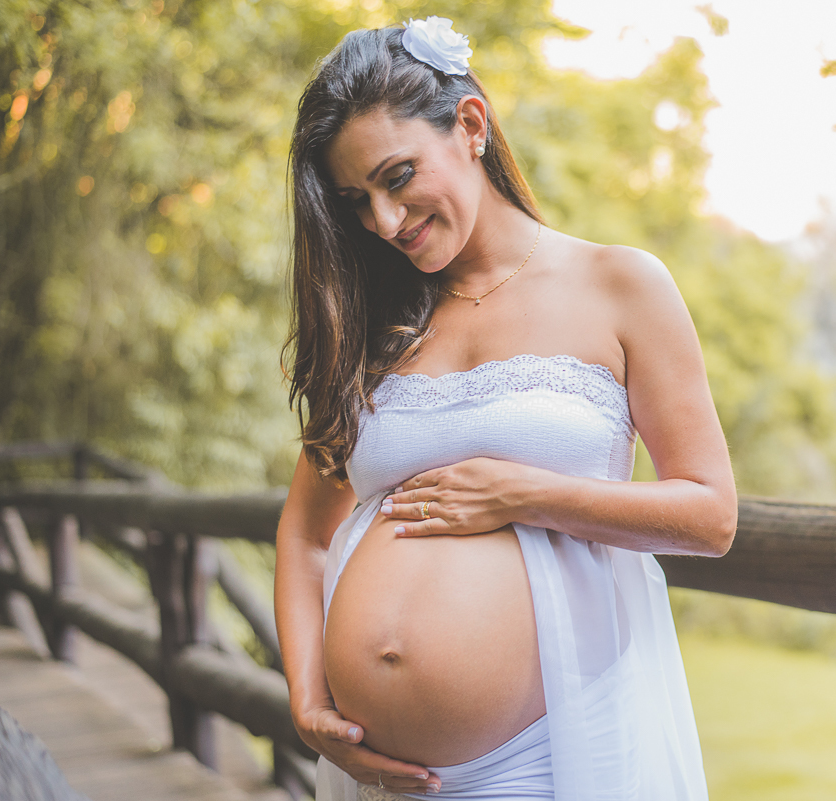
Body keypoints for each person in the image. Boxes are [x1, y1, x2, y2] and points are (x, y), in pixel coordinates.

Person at [274, 17, 737, 801]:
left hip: (543, 762)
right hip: (379, 773)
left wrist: (523, 493)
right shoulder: (374, 323)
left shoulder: (619, 285)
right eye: (356, 201)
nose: (383, 222)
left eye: (397, 177)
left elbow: (710, 514)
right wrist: (308, 698)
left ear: (470, 125)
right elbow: (305, 532)